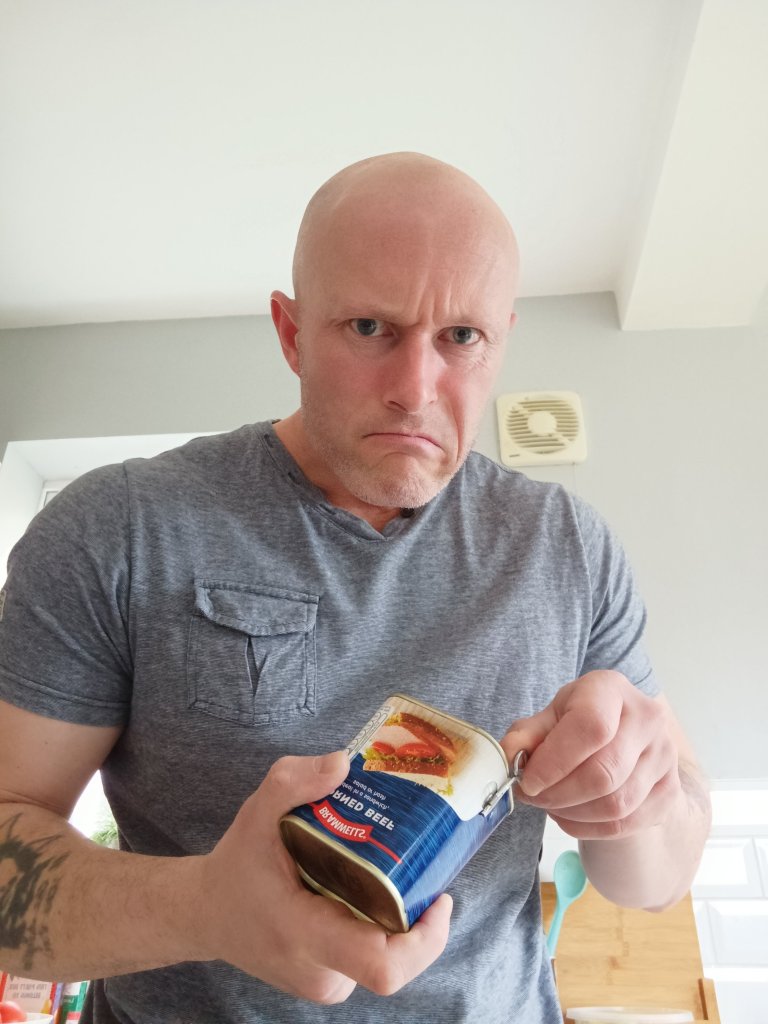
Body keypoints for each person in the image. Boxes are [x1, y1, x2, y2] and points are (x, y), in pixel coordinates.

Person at [0, 153, 711, 1023]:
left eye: (462, 337)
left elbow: (657, 877)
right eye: (370, 327)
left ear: (501, 341)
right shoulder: (117, 528)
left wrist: (637, 798)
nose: (416, 390)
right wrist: (203, 909)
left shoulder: (570, 546)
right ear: (292, 333)